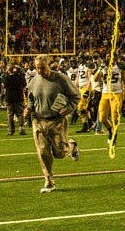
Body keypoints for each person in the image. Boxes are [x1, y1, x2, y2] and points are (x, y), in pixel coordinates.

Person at [26, 55, 81, 193]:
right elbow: (31, 99)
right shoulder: (33, 81)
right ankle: (49, 181)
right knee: (43, 152)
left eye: (42, 68)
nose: (39, 71)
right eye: (37, 68)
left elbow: (76, 96)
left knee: (60, 153)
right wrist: (28, 109)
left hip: (56, 121)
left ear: (49, 65)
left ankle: (72, 145)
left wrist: (68, 109)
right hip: (38, 121)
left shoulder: (61, 79)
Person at [95, 59, 125, 155]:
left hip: (117, 94)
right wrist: (100, 69)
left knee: (115, 117)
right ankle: (110, 130)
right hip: (105, 94)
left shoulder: (119, 67)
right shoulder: (103, 68)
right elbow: (95, 79)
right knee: (102, 118)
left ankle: (114, 136)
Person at [3, 62, 28, 135]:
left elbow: (4, 85)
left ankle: (11, 131)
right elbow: (24, 84)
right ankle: (21, 129)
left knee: (10, 115)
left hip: (9, 98)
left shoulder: (6, 78)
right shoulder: (19, 77)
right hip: (18, 97)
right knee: (20, 114)